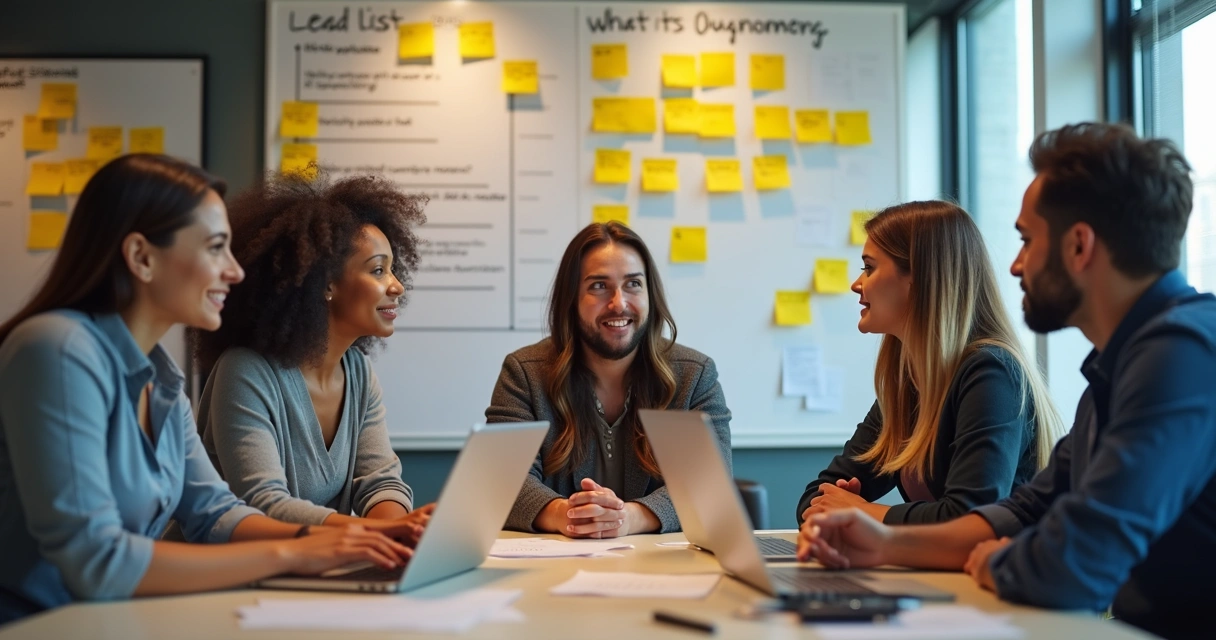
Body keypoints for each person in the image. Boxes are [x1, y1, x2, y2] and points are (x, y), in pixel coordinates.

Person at [797, 123, 1216, 640]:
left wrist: (998, 558)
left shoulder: (1181, 354)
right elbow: (1023, 510)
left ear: (1079, 246)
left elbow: (1073, 563)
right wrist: (879, 543)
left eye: (1026, 240)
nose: (1015, 265)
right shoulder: (1118, 367)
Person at [0, 155, 417, 624]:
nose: (235, 271)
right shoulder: (56, 348)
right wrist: (299, 553)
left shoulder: (159, 376)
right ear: (141, 257)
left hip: (109, 620)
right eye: (216, 248)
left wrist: (339, 540)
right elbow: (95, 560)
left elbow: (214, 512)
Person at [796, 202, 1064, 526]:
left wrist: (858, 511)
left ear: (919, 279)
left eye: (869, 268)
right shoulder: (910, 384)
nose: (857, 284)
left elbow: (969, 517)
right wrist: (838, 504)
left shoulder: (991, 374)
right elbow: (814, 498)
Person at [193, 173, 432, 529]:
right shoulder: (245, 371)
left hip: (313, 570)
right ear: (326, 285)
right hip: (218, 578)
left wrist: (401, 534)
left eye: (393, 270)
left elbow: (379, 481)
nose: (396, 286)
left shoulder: (358, 372)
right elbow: (262, 503)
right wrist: (378, 531)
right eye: (379, 270)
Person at [486, 222, 731, 538]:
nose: (619, 303)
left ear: (650, 294)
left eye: (633, 284)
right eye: (599, 286)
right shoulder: (524, 373)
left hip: (662, 573)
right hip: (554, 568)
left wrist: (628, 518)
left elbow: (711, 485)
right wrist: (569, 515)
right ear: (571, 299)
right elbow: (502, 482)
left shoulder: (694, 376)